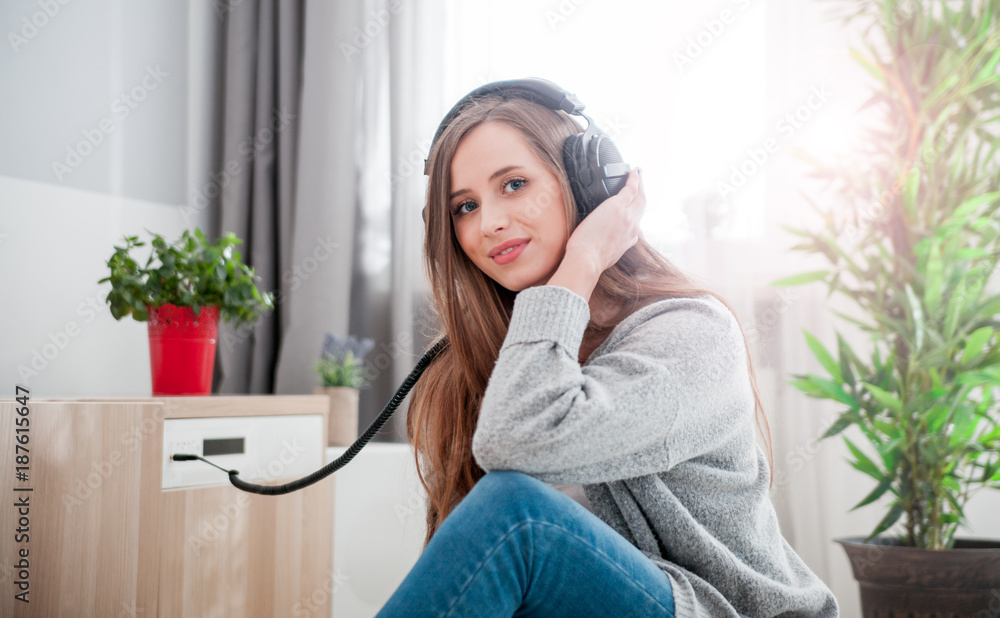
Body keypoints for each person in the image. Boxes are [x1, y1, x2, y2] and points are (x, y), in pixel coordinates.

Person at [377, 79, 839, 617]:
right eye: (464, 207)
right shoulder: (495, 362)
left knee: (519, 513)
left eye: (514, 184)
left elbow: (516, 439)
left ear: (585, 180)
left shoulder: (694, 334)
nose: (490, 223)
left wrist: (584, 258)